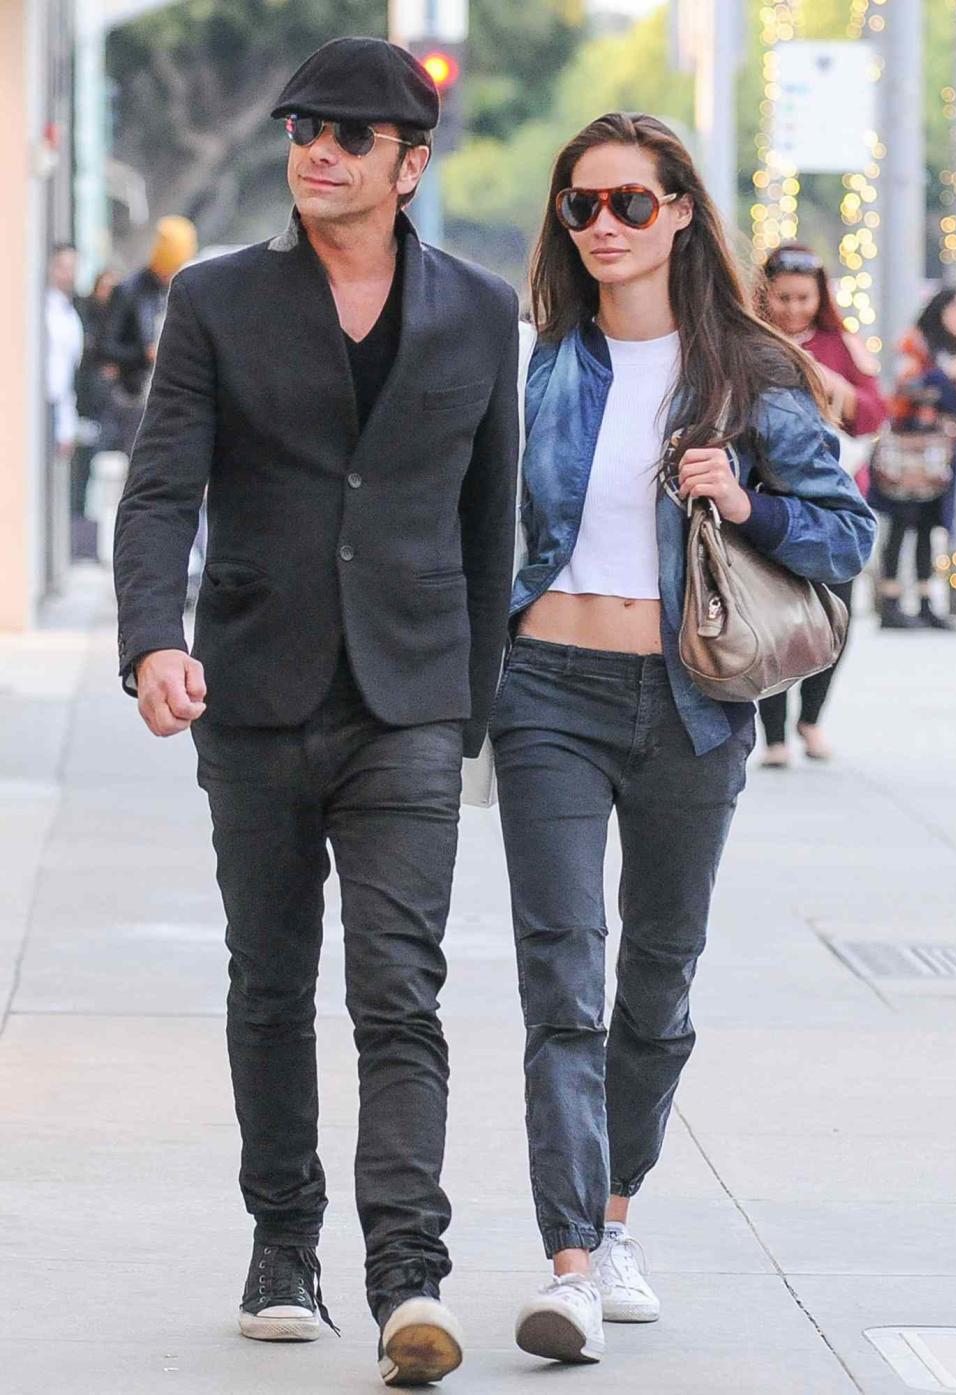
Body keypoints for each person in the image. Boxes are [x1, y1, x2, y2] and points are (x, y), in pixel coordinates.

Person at [113, 37, 519, 1388]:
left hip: (408, 697)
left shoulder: (479, 311)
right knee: (270, 983)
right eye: (305, 126)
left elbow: (488, 519)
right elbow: (162, 485)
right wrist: (151, 643)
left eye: (351, 133)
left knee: (400, 986)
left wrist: (471, 706)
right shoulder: (218, 298)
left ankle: (411, 1272)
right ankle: (283, 1240)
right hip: (254, 690)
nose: (318, 148)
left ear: (411, 165)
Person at [490, 112, 875, 1367]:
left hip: (694, 699)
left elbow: (844, 540)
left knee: (657, 982)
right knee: (562, 974)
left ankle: (612, 1221)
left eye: (627, 204)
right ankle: (568, 1265)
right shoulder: (540, 363)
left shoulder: (752, 374)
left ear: (681, 215)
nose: (601, 226)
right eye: (579, 207)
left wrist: (744, 496)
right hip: (546, 689)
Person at [756, 244, 887, 764]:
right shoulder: (750, 341)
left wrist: (834, 385)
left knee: (835, 614)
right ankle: (775, 736)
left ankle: (811, 719)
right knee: (768, 615)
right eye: (782, 297)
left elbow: (875, 412)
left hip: (835, 503)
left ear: (820, 297)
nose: (792, 309)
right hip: (769, 500)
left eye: (802, 298)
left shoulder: (841, 346)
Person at [872, 287, 956, 630]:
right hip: (908, 452)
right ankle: (891, 602)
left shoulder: (950, 351)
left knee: (928, 525)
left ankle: (925, 601)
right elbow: (904, 392)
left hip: (939, 457)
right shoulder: (916, 344)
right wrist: (943, 379)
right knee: (900, 523)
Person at [102, 215, 198, 456]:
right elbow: (106, 346)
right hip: (135, 398)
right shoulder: (129, 291)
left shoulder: (181, 291)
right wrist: (144, 354)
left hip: (174, 400)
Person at [45, 243, 84, 587]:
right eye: (62, 266)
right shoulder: (42, 311)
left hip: (59, 408)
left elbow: (69, 373)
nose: (67, 273)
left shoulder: (69, 313)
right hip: (43, 405)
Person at [72, 268, 119, 521]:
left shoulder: (119, 319)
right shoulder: (85, 314)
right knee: (83, 468)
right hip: (88, 404)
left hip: (111, 406)